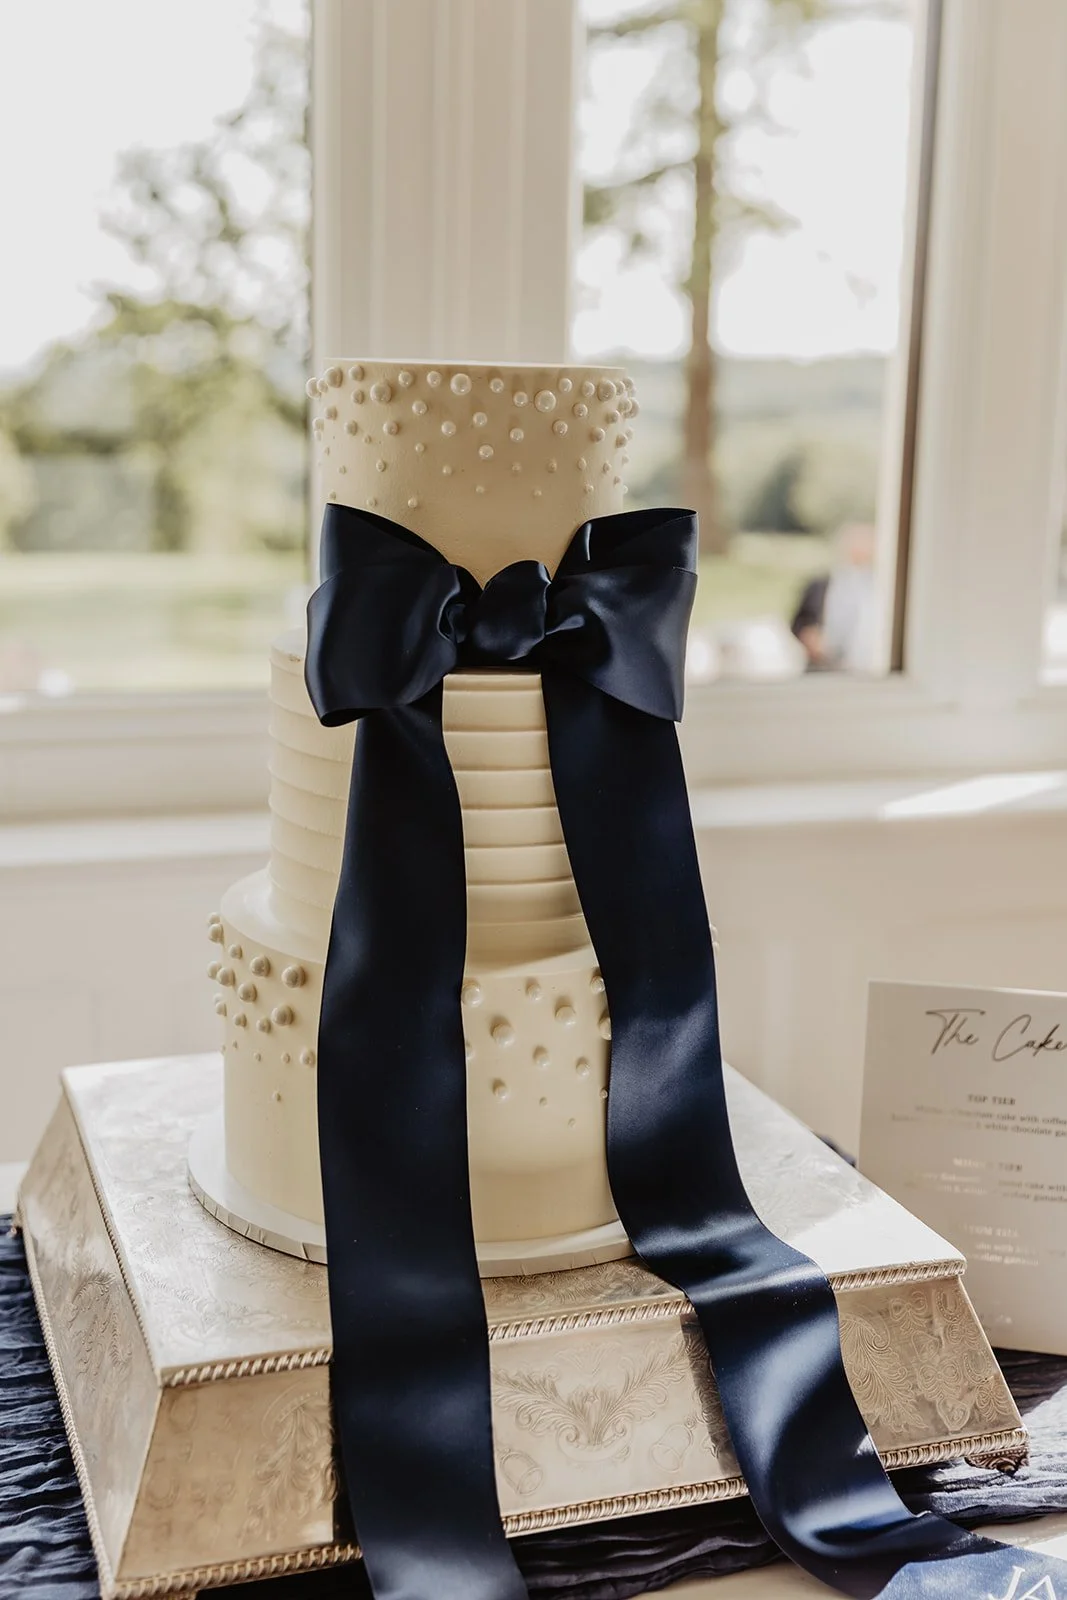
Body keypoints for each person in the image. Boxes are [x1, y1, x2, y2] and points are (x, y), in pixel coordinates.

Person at [790, 521, 877, 672]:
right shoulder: (821, 584)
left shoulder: (879, 586)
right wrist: (810, 638)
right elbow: (799, 623)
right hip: (823, 666)